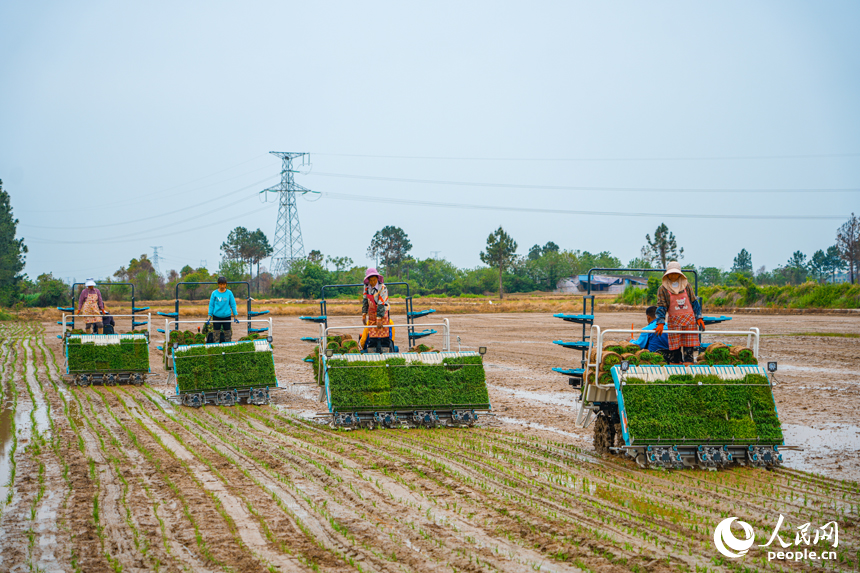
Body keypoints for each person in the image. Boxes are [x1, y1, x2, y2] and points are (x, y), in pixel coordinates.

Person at [654, 262, 704, 364]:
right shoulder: (663, 289)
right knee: (675, 349)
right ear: (667, 274)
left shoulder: (686, 286)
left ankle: (688, 365)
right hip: (674, 322)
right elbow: (662, 306)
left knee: (688, 349)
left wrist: (699, 317)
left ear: (680, 274)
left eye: (675, 273)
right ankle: (676, 364)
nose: (673, 276)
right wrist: (660, 322)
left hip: (689, 321)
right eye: (671, 274)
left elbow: (694, 302)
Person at [361, 268, 393, 351]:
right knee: (372, 335)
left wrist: (379, 318)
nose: (372, 282)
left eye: (374, 280)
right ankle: (372, 352)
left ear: (377, 278)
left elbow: (382, 303)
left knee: (384, 335)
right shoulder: (366, 287)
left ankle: (385, 351)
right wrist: (364, 314)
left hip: (383, 312)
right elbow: (365, 300)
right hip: (371, 313)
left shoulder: (382, 287)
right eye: (371, 280)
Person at [207, 277, 239, 343]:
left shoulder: (229, 293)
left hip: (226, 316)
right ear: (218, 284)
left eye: (224, 284)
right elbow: (211, 305)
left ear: (226, 284)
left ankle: (228, 345)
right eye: (221, 284)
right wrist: (209, 315)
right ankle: (216, 346)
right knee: (216, 334)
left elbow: (233, 304)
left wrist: (235, 315)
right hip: (216, 316)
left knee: (227, 333)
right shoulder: (214, 293)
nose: (222, 286)